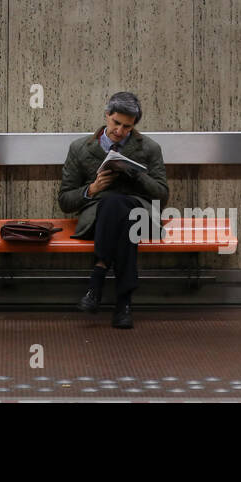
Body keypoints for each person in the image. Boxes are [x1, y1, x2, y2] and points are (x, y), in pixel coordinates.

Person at [57, 91, 168, 328]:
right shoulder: (79, 148)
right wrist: (92, 189)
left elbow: (162, 195)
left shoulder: (149, 148)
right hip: (99, 218)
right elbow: (65, 200)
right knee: (115, 208)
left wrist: (137, 175)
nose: (120, 131)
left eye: (127, 127)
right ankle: (124, 304)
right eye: (116, 123)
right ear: (107, 115)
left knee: (120, 207)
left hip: (141, 216)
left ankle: (97, 280)